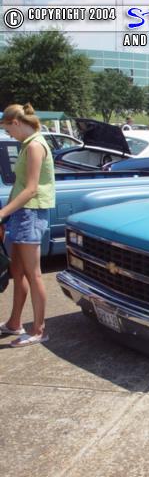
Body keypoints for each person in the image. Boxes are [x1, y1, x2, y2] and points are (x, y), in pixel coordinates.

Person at [0, 103, 55, 347]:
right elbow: (19, 185)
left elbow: (31, 189)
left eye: (8, 129)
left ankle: (39, 330)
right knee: (17, 271)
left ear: (16, 122)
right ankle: (15, 323)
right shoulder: (27, 144)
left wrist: (3, 213)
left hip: (31, 213)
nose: (9, 134)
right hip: (21, 213)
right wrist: (7, 215)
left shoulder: (34, 145)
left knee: (33, 274)